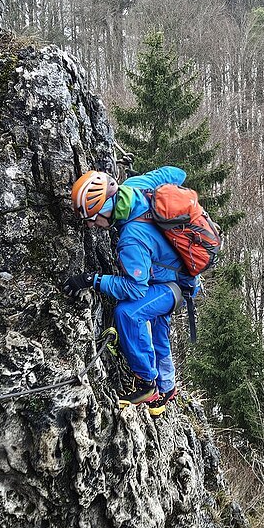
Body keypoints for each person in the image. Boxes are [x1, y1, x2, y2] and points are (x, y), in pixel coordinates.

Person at [62, 166, 197, 415]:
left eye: (93, 218)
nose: (91, 225)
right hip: (182, 278)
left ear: (106, 207)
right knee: (159, 330)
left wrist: (93, 280)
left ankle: (147, 384)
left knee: (129, 313)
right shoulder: (137, 185)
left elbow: (135, 289)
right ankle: (167, 388)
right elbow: (177, 174)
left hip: (173, 286)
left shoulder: (132, 239)